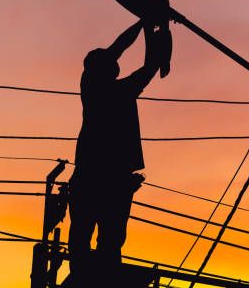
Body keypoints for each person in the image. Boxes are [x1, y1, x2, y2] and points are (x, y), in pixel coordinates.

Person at [67, 15, 172, 286]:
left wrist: (144, 23)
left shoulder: (89, 85)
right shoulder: (122, 90)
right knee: (108, 244)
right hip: (111, 181)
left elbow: (119, 47)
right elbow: (148, 62)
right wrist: (150, 26)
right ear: (108, 68)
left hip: (90, 178)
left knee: (82, 240)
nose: (116, 59)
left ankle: (87, 279)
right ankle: (99, 279)